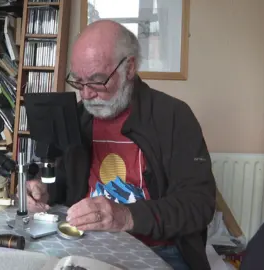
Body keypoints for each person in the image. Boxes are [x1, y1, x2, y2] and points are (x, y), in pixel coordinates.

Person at [25, 20, 216, 270]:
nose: (86, 94)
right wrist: (43, 192)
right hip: (86, 245)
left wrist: (126, 216)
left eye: (97, 81)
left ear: (129, 68)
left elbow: (198, 204)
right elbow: (64, 183)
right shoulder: (80, 117)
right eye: (79, 82)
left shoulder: (173, 116)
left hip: (158, 250)